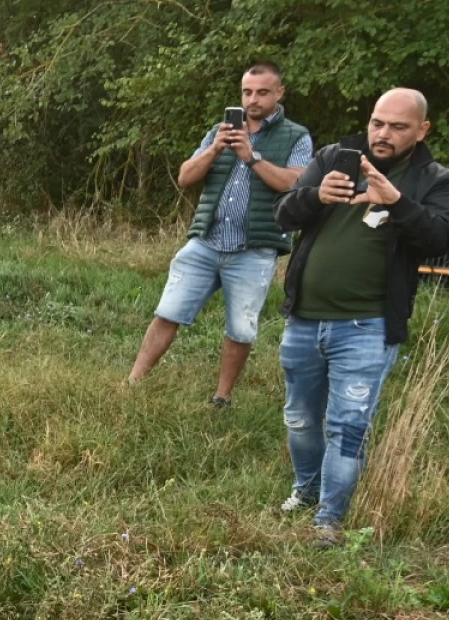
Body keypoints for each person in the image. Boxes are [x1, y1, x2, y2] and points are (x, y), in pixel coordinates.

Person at [272, 88, 449, 547]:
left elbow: (439, 238)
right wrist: (316, 195)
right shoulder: (336, 156)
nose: (383, 134)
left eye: (398, 127)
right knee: (299, 416)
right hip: (305, 318)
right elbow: (283, 213)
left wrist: (396, 201)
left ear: (421, 130)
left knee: (347, 425)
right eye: (378, 122)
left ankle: (329, 521)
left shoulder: (433, 177)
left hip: (368, 326)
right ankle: (307, 489)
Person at [127, 62, 312, 406]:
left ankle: (221, 399)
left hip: (254, 249)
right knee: (168, 312)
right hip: (206, 242)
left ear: (280, 93)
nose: (253, 99)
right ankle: (133, 384)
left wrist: (251, 156)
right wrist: (215, 149)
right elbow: (185, 177)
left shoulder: (296, 136)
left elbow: (296, 183)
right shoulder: (220, 130)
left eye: (262, 92)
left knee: (240, 330)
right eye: (247, 92)